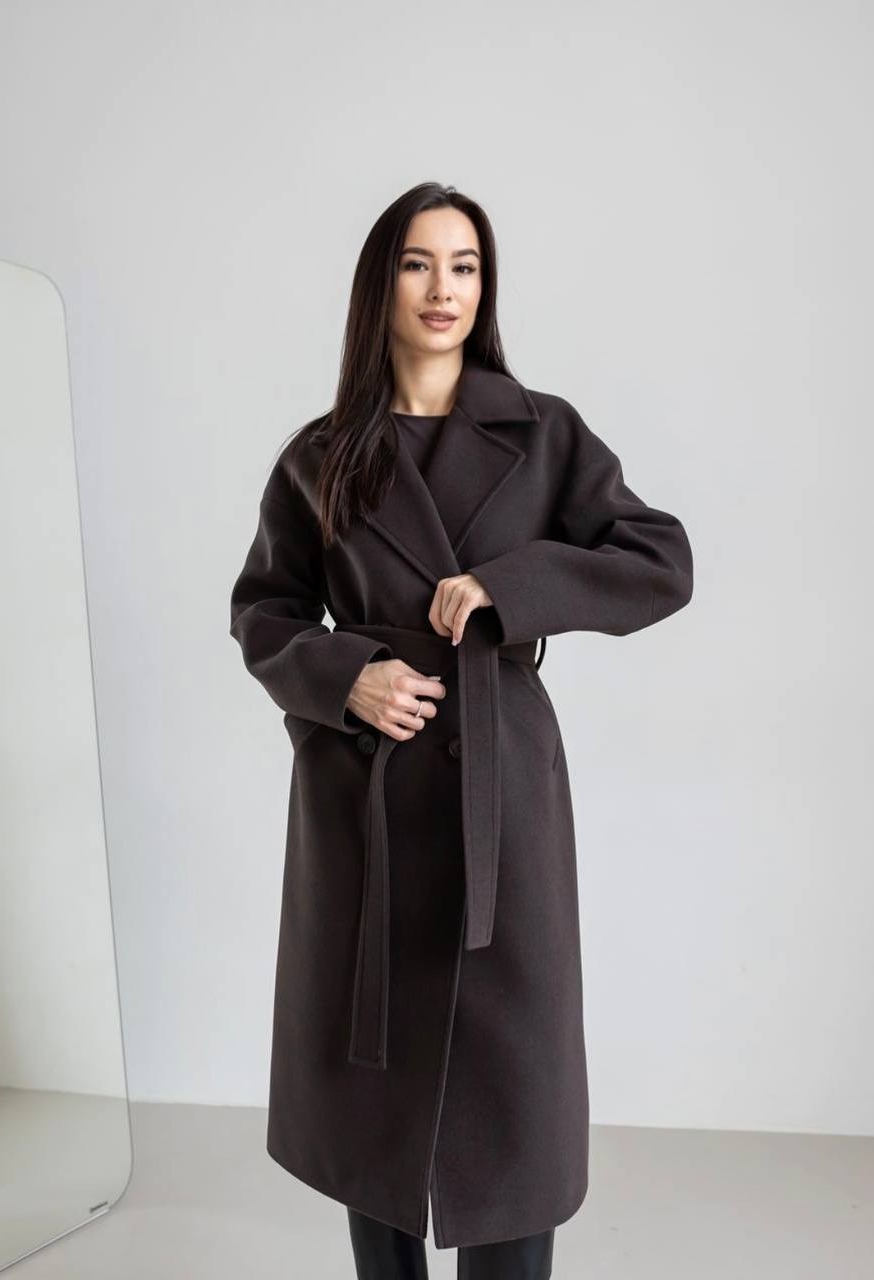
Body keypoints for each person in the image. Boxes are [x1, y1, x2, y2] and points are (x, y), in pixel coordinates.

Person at [229, 181, 693, 1279]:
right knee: (374, 1075)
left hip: (502, 782)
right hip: (368, 791)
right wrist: (349, 678)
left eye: (466, 265)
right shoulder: (322, 455)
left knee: (511, 1085)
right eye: (418, 263)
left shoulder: (542, 430)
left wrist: (508, 586)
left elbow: (660, 559)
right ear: (379, 284)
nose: (444, 289)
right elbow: (265, 611)